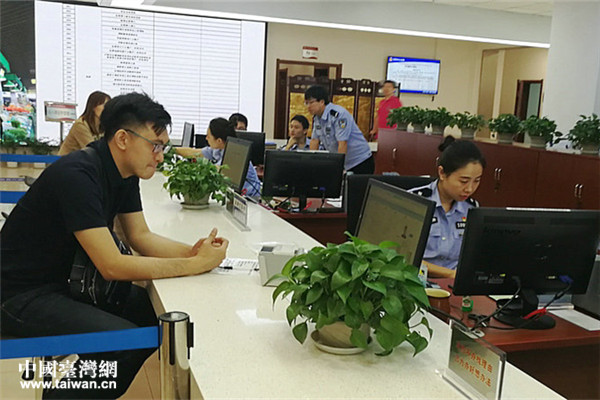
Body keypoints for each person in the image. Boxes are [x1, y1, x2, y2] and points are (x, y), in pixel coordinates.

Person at [0, 92, 229, 399]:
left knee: (153, 314)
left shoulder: (124, 172)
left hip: (69, 282)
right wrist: (193, 265)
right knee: (126, 342)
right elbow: (111, 266)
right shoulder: (78, 174)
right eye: (155, 145)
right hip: (19, 294)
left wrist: (193, 252)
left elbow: (140, 236)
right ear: (123, 138)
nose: (160, 156)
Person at [409, 136, 485, 278]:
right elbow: (403, 256)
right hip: (418, 281)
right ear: (442, 173)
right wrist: (450, 274)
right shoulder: (414, 202)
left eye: (476, 181)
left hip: (456, 283)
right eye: (463, 181)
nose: (469, 189)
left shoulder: (471, 208)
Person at [178, 118, 262, 197]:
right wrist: (173, 149)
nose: (206, 138)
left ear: (219, 141)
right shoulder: (219, 148)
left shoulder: (234, 154)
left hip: (250, 199)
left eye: (208, 136)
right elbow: (193, 152)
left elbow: (212, 172)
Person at [305, 85, 374, 174]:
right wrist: (311, 164)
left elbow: (342, 143)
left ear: (322, 102)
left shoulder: (339, 115)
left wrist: (338, 167)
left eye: (311, 102)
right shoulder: (317, 118)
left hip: (360, 161)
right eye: (306, 103)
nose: (308, 106)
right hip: (344, 162)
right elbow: (314, 141)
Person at [58, 91, 111, 155]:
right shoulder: (80, 125)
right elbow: (92, 149)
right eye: (104, 105)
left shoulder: (102, 126)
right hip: (68, 160)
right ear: (93, 107)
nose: (107, 109)